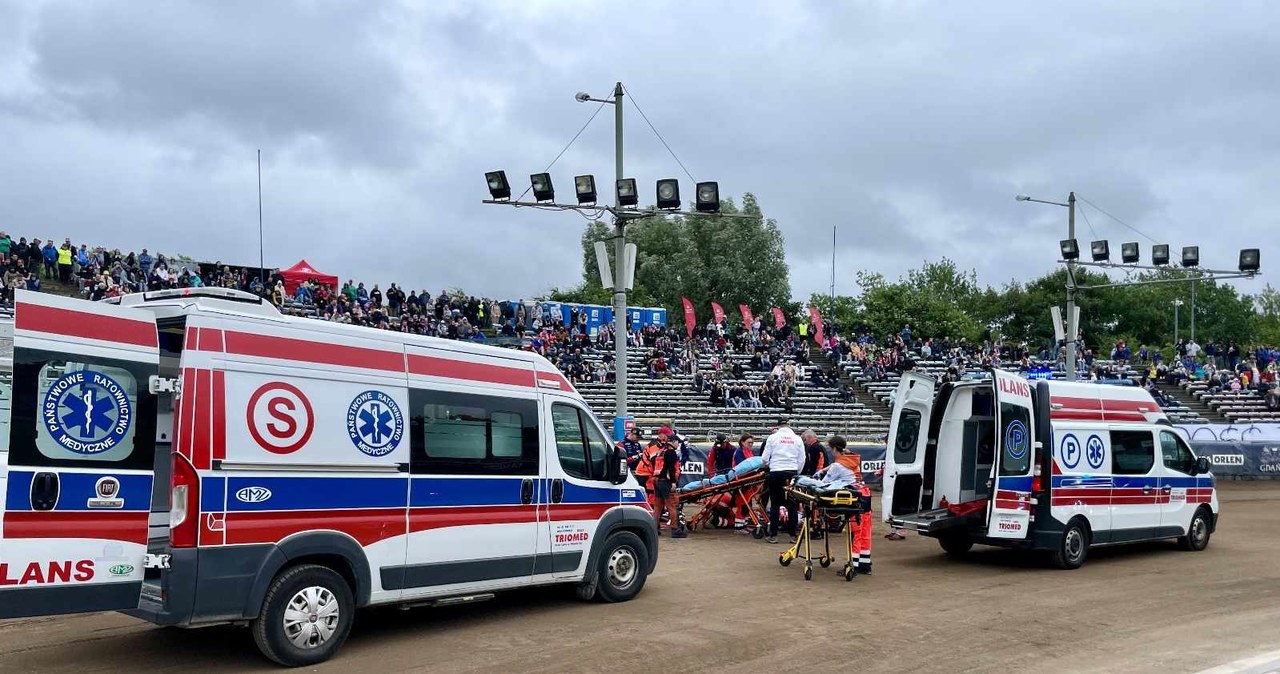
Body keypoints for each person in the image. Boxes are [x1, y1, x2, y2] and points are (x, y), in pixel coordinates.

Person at [761, 418, 805, 544]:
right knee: (792, 505)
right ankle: (793, 535)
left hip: (776, 472)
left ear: (778, 426)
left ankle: (773, 535)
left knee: (775, 504)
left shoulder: (773, 438)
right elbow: (802, 458)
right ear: (789, 425)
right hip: (791, 472)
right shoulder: (797, 439)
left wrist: (771, 464)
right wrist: (797, 472)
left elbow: (764, 458)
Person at [651, 427, 686, 538]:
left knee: (658, 507)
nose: (678, 445)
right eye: (677, 443)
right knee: (672, 505)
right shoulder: (671, 453)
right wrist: (673, 482)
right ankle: (675, 529)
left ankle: (654, 528)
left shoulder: (661, 451)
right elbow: (670, 468)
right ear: (674, 442)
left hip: (656, 480)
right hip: (665, 481)